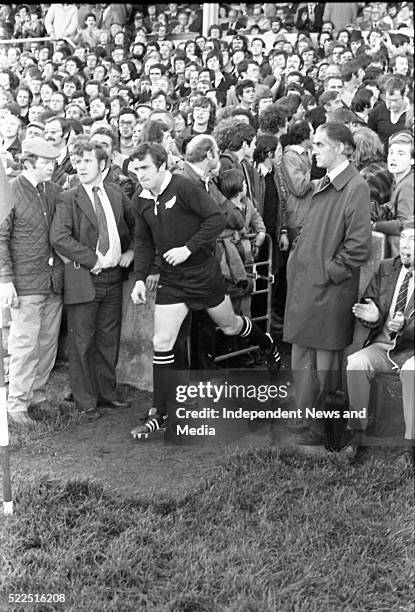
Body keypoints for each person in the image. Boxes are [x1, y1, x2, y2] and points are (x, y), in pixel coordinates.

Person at [129, 142, 281, 439]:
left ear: (161, 166)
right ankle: (160, 413)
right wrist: (139, 278)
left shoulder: (184, 188)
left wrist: (188, 249)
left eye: (144, 168)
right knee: (162, 341)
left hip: (202, 275)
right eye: (135, 169)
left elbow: (216, 219)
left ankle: (267, 344)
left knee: (230, 326)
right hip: (173, 280)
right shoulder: (142, 198)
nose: (139, 174)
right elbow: (143, 240)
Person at [283, 122, 372, 444]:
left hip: (328, 290)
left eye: (320, 144)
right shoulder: (325, 183)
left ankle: (322, 429)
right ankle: (305, 418)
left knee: (326, 363)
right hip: (307, 286)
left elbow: (359, 245)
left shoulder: (355, 186)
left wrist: (328, 273)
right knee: (303, 356)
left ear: (343, 148)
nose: (313, 150)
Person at [50, 141, 135, 419]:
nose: (81, 166)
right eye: (78, 160)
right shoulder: (69, 197)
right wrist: (92, 259)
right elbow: (59, 237)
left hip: (113, 278)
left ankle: (107, 393)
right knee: (82, 341)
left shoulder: (116, 193)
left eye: (88, 161)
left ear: (104, 165)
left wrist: (132, 250)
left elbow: (136, 228)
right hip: (85, 278)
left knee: (109, 339)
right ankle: (85, 401)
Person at [0, 137, 63, 424]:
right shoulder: (10, 191)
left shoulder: (54, 191)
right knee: (24, 344)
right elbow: (1, 239)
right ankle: (16, 405)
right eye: (45, 162)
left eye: (52, 161)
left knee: (48, 342)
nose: (51, 166)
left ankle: (36, 394)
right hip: (24, 283)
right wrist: (5, 280)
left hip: (52, 283)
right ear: (28, 162)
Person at [344, 222, 414, 466]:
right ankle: (357, 434)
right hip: (384, 345)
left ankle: (409, 446)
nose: (405, 245)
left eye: (413, 240)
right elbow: (370, 300)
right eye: (403, 238)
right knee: (356, 362)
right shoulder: (387, 268)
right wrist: (374, 316)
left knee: (411, 371)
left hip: (411, 350)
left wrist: (407, 325)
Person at [372, 131, 414, 257]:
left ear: (412, 160)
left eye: (401, 154)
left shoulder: (408, 185)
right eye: (391, 153)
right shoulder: (399, 179)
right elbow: (390, 207)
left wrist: (374, 226)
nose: (393, 157)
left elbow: (404, 224)